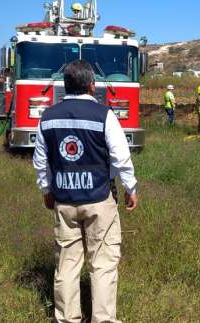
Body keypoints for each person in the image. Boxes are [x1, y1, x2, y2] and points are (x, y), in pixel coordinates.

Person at [33, 59, 138, 323]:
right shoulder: (105, 115)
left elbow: (40, 160)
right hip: (99, 199)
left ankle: (67, 319)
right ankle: (103, 319)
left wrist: (47, 190)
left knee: (66, 264)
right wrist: (130, 188)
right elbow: (121, 157)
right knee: (102, 264)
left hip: (64, 201)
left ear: (65, 85)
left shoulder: (47, 117)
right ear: (92, 85)